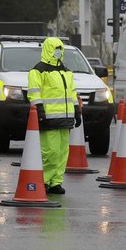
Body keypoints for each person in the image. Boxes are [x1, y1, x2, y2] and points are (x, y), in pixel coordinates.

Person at [27, 37, 80, 194]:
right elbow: (34, 93)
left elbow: (72, 94)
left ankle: (55, 182)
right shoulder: (38, 71)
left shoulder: (66, 71)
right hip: (48, 119)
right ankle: (43, 180)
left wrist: (77, 111)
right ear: (48, 49)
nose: (58, 51)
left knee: (63, 153)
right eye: (56, 48)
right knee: (50, 152)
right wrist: (39, 111)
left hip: (65, 119)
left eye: (60, 49)